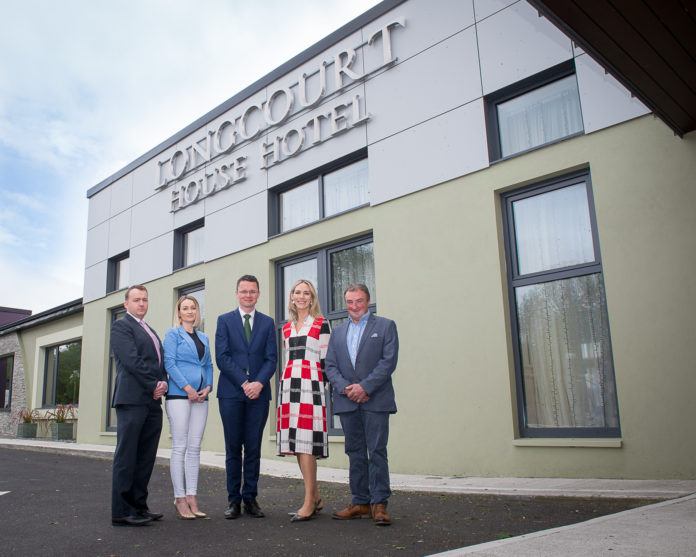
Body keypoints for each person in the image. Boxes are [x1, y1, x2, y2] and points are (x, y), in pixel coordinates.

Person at [324, 283, 399, 526]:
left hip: (375, 399)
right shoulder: (337, 332)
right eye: (350, 302)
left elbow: (388, 362)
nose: (354, 306)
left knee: (376, 450)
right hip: (347, 401)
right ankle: (360, 502)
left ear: (368, 301)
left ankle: (379, 504)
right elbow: (330, 366)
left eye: (359, 301)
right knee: (354, 451)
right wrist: (346, 388)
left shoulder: (386, 326)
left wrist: (364, 387)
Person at [215, 275, 278, 519]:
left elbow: (271, 358)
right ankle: (234, 501)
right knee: (233, 448)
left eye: (252, 291)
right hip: (231, 393)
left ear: (258, 294)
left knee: (253, 447)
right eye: (244, 291)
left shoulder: (267, 322)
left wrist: (259, 383)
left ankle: (251, 498)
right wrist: (244, 382)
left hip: (259, 395)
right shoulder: (224, 321)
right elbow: (222, 357)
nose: (248, 295)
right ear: (237, 293)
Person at [110, 285, 168, 526]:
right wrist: (154, 383)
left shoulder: (150, 330)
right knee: (127, 456)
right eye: (136, 300)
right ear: (126, 304)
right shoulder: (121, 326)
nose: (141, 303)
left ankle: (139, 507)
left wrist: (164, 382)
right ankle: (122, 511)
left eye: (144, 300)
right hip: (133, 399)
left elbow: (159, 361)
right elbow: (131, 360)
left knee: (145, 457)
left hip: (152, 401)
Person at [276, 279, 331, 522]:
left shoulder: (321, 324)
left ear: (312, 298)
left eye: (305, 293)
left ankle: (309, 501)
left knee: (307, 443)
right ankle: (315, 497)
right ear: (291, 296)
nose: (301, 296)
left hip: (311, 385)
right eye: (297, 292)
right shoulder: (286, 328)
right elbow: (287, 359)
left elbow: (327, 361)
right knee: (298, 443)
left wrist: (323, 387)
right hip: (289, 386)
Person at [163, 295, 213, 520]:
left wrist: (208, 386)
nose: (190, 311)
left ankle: (192, 496)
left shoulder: (204, 337)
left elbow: (209, 364)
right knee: (180, 447)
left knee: (194, 448)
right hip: (179, 396)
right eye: (185, 308)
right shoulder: (173, 334)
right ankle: (180, 498)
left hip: (202, 398)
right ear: (179, 312)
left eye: (193, 308)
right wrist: (187, 388)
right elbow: (169, 363)